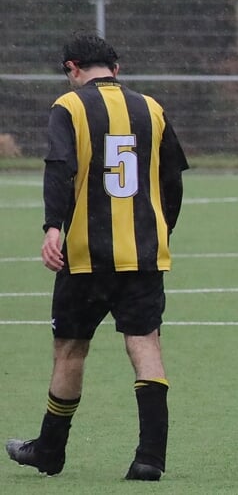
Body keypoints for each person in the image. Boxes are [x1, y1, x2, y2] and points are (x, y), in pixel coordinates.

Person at [6, 33, 189, 481]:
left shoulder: (68, 107)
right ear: (116, 69)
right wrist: (160, 228)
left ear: (72, 69)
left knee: (70, 350)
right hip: (143, 254)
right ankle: (150, 458)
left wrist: (53, 226)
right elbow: (173, 180)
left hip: (86, 255)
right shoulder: (152, 108)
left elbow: (60, 168)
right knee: (145, 346)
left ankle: (50, 450)